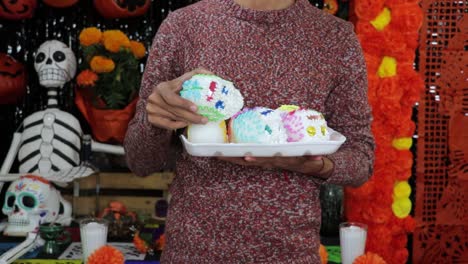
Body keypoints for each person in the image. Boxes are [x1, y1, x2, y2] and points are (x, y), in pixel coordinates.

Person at [124, 0, 375, 263]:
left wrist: (313, 165)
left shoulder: (334, 37)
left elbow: (361, 159)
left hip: (291, 253)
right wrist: (154, 121)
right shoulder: (184, 26)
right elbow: (140, 162)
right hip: (192, 251)